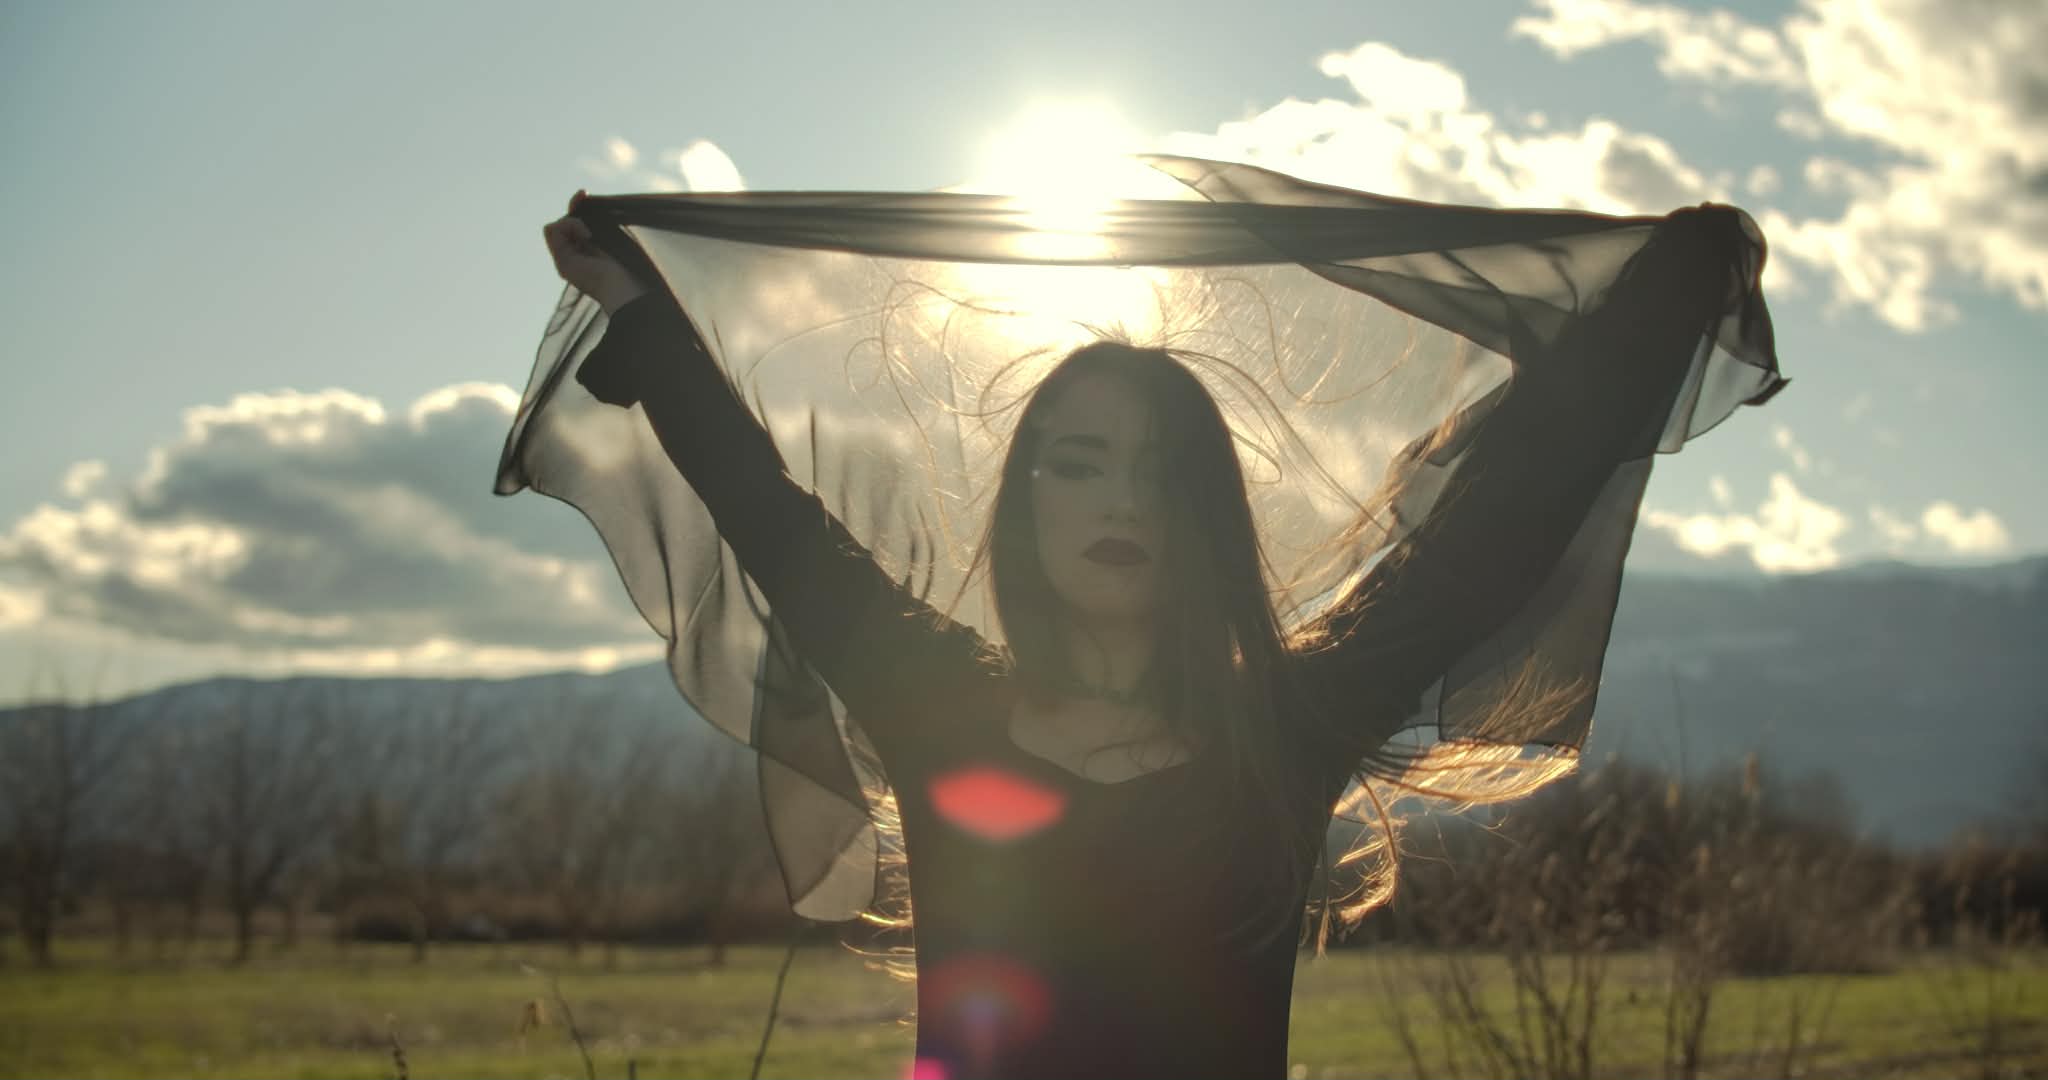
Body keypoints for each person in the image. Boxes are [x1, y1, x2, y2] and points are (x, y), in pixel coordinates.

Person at [538, 183, 1760, 1080]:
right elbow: (770, 514)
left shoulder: (1288, 720)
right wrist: (636, 308)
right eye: (1079, 464)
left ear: (1204, 512)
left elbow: (1492, 530)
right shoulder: (934, 702)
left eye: (1160, 470)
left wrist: (1664, 299)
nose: (1121, 501)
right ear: (1025, 502)